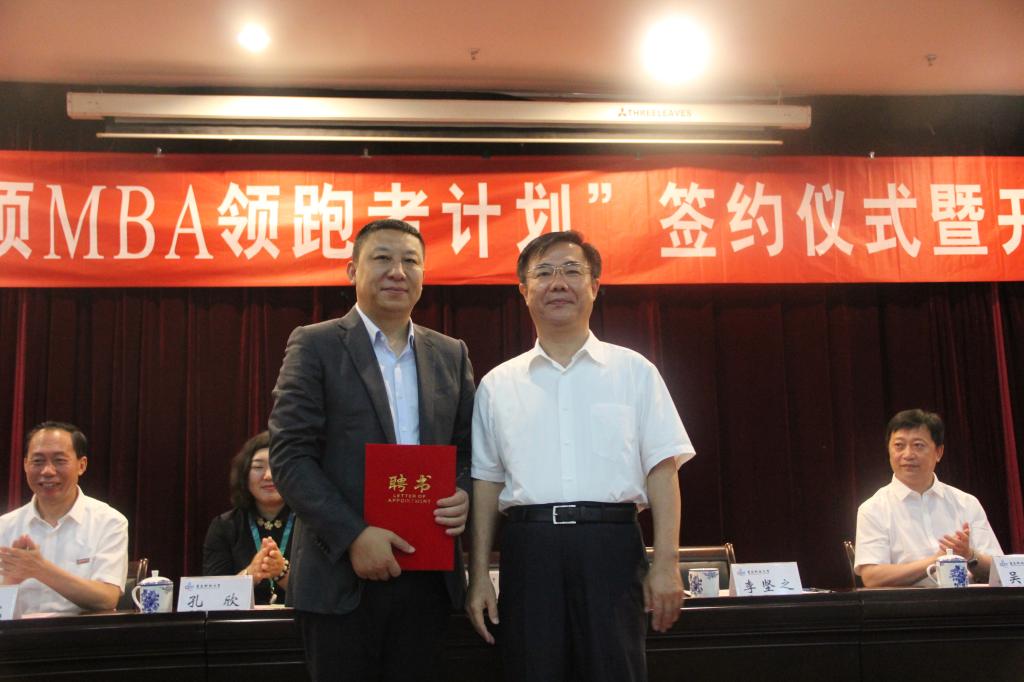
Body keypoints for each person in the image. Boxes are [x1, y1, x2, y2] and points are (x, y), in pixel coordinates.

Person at [466, 231, 696, 682]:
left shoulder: (635, 371)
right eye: (544, 273)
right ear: (523, 290)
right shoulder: (497, 384)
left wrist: (667, 563)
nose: (558, 283)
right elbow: (486, 484)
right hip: (530, 551)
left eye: (572, 271)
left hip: (611, 548)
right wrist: (477, 576)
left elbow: (662, 469)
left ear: (594, 286)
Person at [269, 219, 474, 681]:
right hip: (340, 577)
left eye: (410, 261)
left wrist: (463, 492)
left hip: (428, 579)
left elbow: (467, 451)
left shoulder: (451, 353)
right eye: (382, 258)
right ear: (352, 270)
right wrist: (354, 536)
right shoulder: (316, 344)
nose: (398, 271)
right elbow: (290, 456)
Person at [855, 408, 1004, 587]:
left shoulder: (967, 503)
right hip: (907, 603)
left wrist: (969, 555)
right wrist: (937, 561)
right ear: (889, 451)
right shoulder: (873, 509)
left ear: (939, 452)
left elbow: (1001, 571)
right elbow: (872, 577)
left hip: (967, 600)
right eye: (899, 446)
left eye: (918, 445)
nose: (908, 455)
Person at [0, 421, 128, 615]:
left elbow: (107, 598)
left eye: (59, 461)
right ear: (25, 465)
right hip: (18, 633)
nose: (47, 471)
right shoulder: (5, 527)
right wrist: (10, 582)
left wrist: (39, 569)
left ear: (81, 465)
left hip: (80, 632)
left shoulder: (109, 522)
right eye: (38, 461)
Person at [202, 431, 294, 605]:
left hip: (301, 620)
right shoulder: (224, 526)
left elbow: (326, 595)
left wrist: (282, 572)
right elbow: (210, 599)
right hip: (239, 622)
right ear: (244, 474)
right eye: (258, 467)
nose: (268, 476)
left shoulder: (310, 524)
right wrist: (250, 574)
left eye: (277, 465)